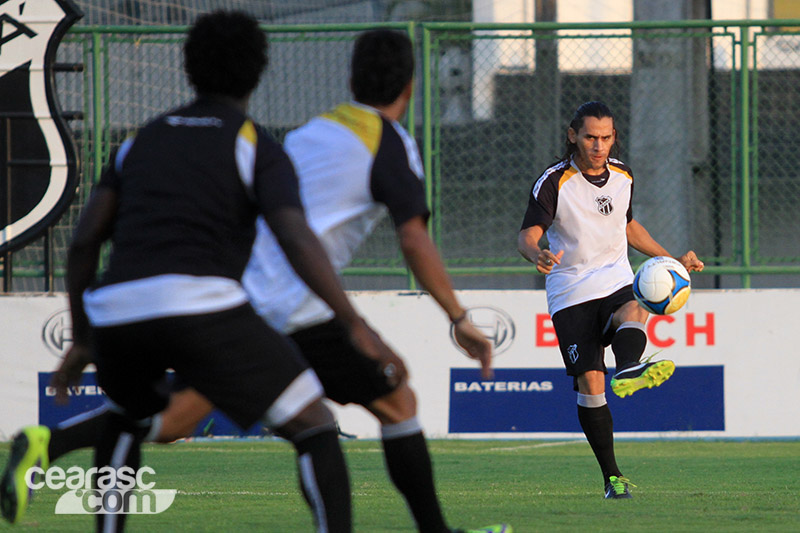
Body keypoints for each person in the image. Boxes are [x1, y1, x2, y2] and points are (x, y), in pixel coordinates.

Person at [1, 29, 509, 533]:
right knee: (330, 419)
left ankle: (51, 443)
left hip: (243, 296)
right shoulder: (387, 144)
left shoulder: (311, 130)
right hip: (282, 305)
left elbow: (90, 239)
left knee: (177, 421)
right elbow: (411, 240)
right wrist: (457, 317)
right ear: (411, 87)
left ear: (351, 78)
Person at [517, 101, 704, 499]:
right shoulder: (554, 181)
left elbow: (628, 226)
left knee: (636, 303)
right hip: (570, 291)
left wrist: (669, 261)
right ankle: (612, 477)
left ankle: (630, 367)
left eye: (605, 137)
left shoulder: (623, 176)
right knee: (590, 384)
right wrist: (538, 253)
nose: (598, 146)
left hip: (615, 278)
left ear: (614, 137)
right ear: (573, 136)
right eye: (590, 137)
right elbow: (528, 234)